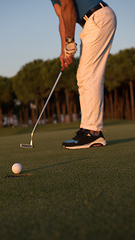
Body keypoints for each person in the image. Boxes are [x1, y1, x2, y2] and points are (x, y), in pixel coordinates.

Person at [50, 0, 117, 149]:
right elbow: (62, 17)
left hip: (97, 17)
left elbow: (69, 6)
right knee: (84, 76)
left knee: (89, 75)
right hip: (93, 21)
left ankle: (93, 133)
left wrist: (70, 41)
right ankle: (87, 129)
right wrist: (64, 50)